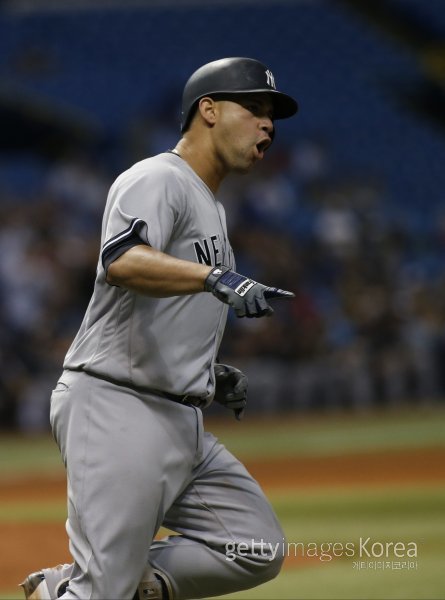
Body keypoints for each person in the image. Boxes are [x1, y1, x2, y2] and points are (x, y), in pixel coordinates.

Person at [20, 57, 298, 600]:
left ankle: (84, 587)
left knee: (254, 547)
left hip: (177, 416)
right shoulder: (158, 177)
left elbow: (161, 314)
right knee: (103, 591)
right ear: (209, 111)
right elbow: (122, 260)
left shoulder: (212, 208)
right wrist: (217, 277)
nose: (269, 124)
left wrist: (206, 375)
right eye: (256, 108)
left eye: (273, 115)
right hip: (119, 407)